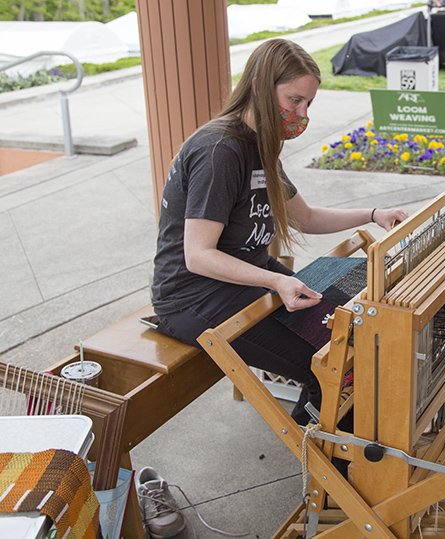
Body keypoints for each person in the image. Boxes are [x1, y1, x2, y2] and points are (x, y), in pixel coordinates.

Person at [150, 39, 407, 425]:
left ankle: (341, 446)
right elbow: (197, 254)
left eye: (308, 104)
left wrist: (373, 214)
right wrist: (275, 280)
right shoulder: (219, 151)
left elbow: (305, 217)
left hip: (245, 280)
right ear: (258, 86)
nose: (301, 113)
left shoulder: (260, 146)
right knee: (328, 365)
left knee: (350, 338)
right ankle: (328, 470)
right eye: (294, 100)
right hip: (192, 298)